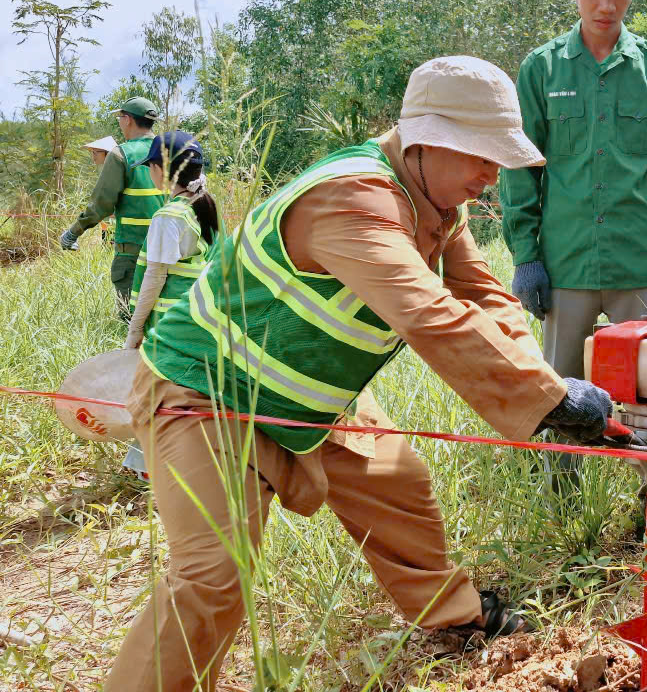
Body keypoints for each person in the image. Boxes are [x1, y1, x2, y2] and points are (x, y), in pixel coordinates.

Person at [105, 57, 615, 692]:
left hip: (305, 399)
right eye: (481, 155)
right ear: (426, 140)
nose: (492, 174)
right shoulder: (354, 199)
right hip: (205, 392)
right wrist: (550, 398)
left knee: (397, 482)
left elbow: (485, 295)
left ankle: (453, 613)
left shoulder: (434, 204)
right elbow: (430, 315)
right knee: (212, 576)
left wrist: (546, 384)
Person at [499, 0, 647, 523]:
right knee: (559, 392)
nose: (606, 5)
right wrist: (525, 256)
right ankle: (560, 512)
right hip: (566, 263)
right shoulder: (540, 70)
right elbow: (520, 169)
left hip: (641, 258)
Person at [61, 97, 165, 319]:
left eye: (120, 117)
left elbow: (101, 204)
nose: (119, 122)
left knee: (132, 319)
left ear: (128, 120)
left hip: (133, 251)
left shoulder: (121, 154)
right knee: (164, 316)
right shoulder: (171, 150)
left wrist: (73, 232)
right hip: (170, 248)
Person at [123, 131, 217, 351]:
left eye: (150, 166)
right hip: (201, 318)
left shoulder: (168, 217)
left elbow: (155, 277)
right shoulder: (206, 206)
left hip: (171, 324)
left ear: (160, 169)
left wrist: (135, 329)